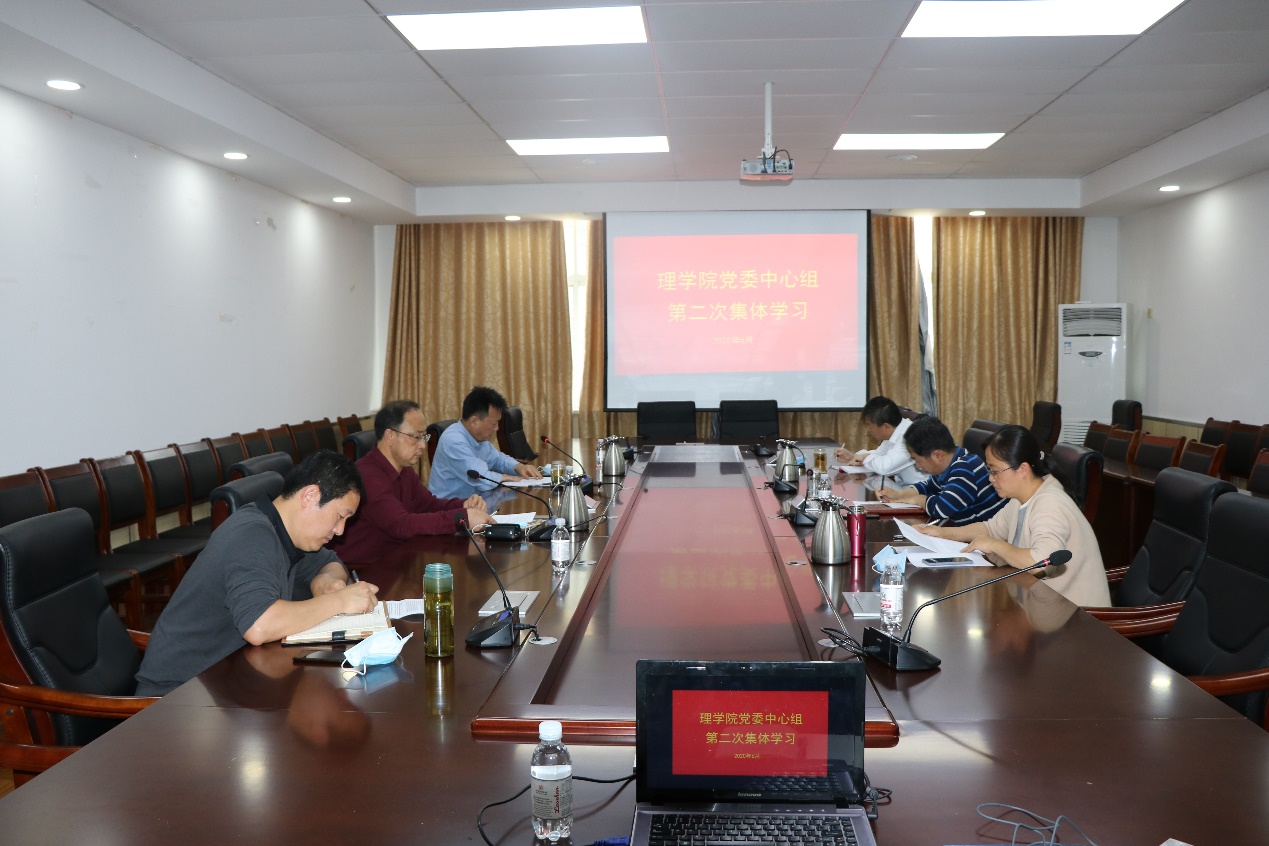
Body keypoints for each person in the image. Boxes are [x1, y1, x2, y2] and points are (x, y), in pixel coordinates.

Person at [136, 451, 379, 696]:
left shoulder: (290, 533)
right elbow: (258, 625)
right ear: (310, 496)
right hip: (175, 695)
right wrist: (337, 602)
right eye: (340, 516)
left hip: (225, 682)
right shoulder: (252, 535)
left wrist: (326, 581)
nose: (340, 530)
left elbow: (331, 562)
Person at [919, 425, 1111, 607]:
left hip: (1076, 616)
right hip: (1041, 604)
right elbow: (990, 528)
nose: (990, 478)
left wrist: (995, 545)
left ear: (1023, 469)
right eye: (989, 470)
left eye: (995, 471)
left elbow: (1040, 563)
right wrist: (942, 532)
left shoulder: (1050, 504)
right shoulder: (1022, 496)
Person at [334, 400, 493, 564]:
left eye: (424, 437)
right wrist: (462, 518)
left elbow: (429, 504)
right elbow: (401, 525)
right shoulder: (367, 475)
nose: (423, 445)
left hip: (400, 560)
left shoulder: (404, 470)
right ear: (390, 436)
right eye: (416, 437)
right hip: (366, 569)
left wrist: (464, 505)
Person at [877, 416, 1006, 526]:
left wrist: (917, 500)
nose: (917, 465)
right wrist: (899, 495)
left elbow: (942, 508)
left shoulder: (965, 468)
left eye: (917, 460)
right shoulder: (952, 462)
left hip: (986, 537)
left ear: (937, 455)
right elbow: (928, 486)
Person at [428, 385, 542, 499]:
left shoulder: (478, 438)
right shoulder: (454, 441)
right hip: (450, 507)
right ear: (474, 421)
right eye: (494, 423)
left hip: (476, 501)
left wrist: (518, 467)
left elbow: (497, 459)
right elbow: (481, 478)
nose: (497, 428)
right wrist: (504, 477)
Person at [834, 396, 926, 486]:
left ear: (886, 426)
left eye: (869, 425)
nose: (868, 429)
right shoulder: (895, 432)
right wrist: (853, 457)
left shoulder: (909, 436)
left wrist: (864, 458)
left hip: (922, 490)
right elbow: (878, 454)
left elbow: (884, 467)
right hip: (904, 487)